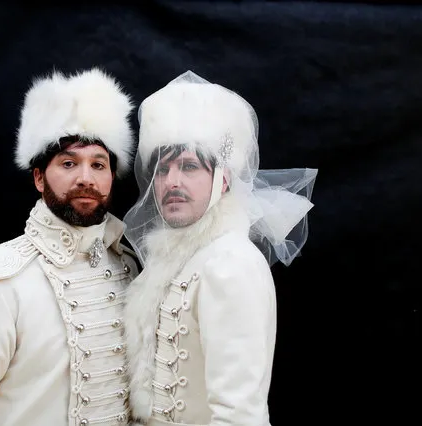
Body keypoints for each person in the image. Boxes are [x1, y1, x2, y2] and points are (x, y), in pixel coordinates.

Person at [0, 67, 141, 426]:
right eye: (68, 163)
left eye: (99, 164)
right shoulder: (0, 280)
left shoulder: (129, 267)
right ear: (38, 177)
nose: (85, 178)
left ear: (112, 177)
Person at [122, 71, 318, 425]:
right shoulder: (179, 259)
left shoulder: (230, 264)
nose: (172, 182)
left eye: (189, 167)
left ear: (223, 180)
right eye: (163, 169)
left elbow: (239, 413)